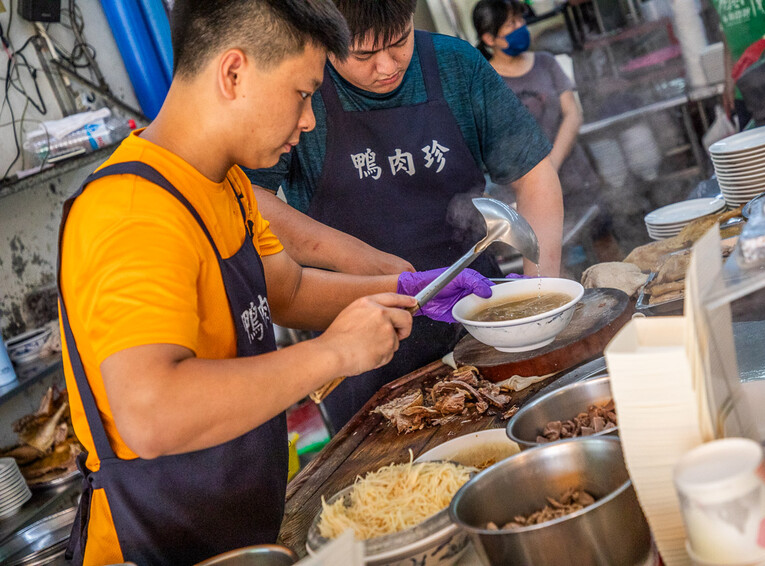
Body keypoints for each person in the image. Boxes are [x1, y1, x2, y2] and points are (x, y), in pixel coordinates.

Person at [58, 2, 491, 564]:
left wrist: (409, 289)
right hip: (154, 543)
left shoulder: (226, 185)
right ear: (234, 72)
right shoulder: (132, 211)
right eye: (302, 93)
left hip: (238, 524)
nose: (308, 120)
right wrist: (334, 352)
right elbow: (151, 413)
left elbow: (287, 292)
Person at [245, 0, 565, 432]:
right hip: (358, 337)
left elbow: (535, 177)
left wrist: (539, 300)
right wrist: (361, 260)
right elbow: (250, 200)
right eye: (363, 54)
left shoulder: (456, 65)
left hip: (477, 317)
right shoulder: (300, 86)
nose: (387, 66)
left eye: (399, 42)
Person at [472, 0, 620, 267]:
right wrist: (537, 179)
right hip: (526, 194)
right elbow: (492, 143)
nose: (521, 27)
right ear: (489, 38)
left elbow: (572, 114)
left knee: (605, 245)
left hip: (575, 178)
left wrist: (550, 165)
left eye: (520, 20)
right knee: (552, 264)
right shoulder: (485, 81)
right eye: (511, 24)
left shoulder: (545, 62)